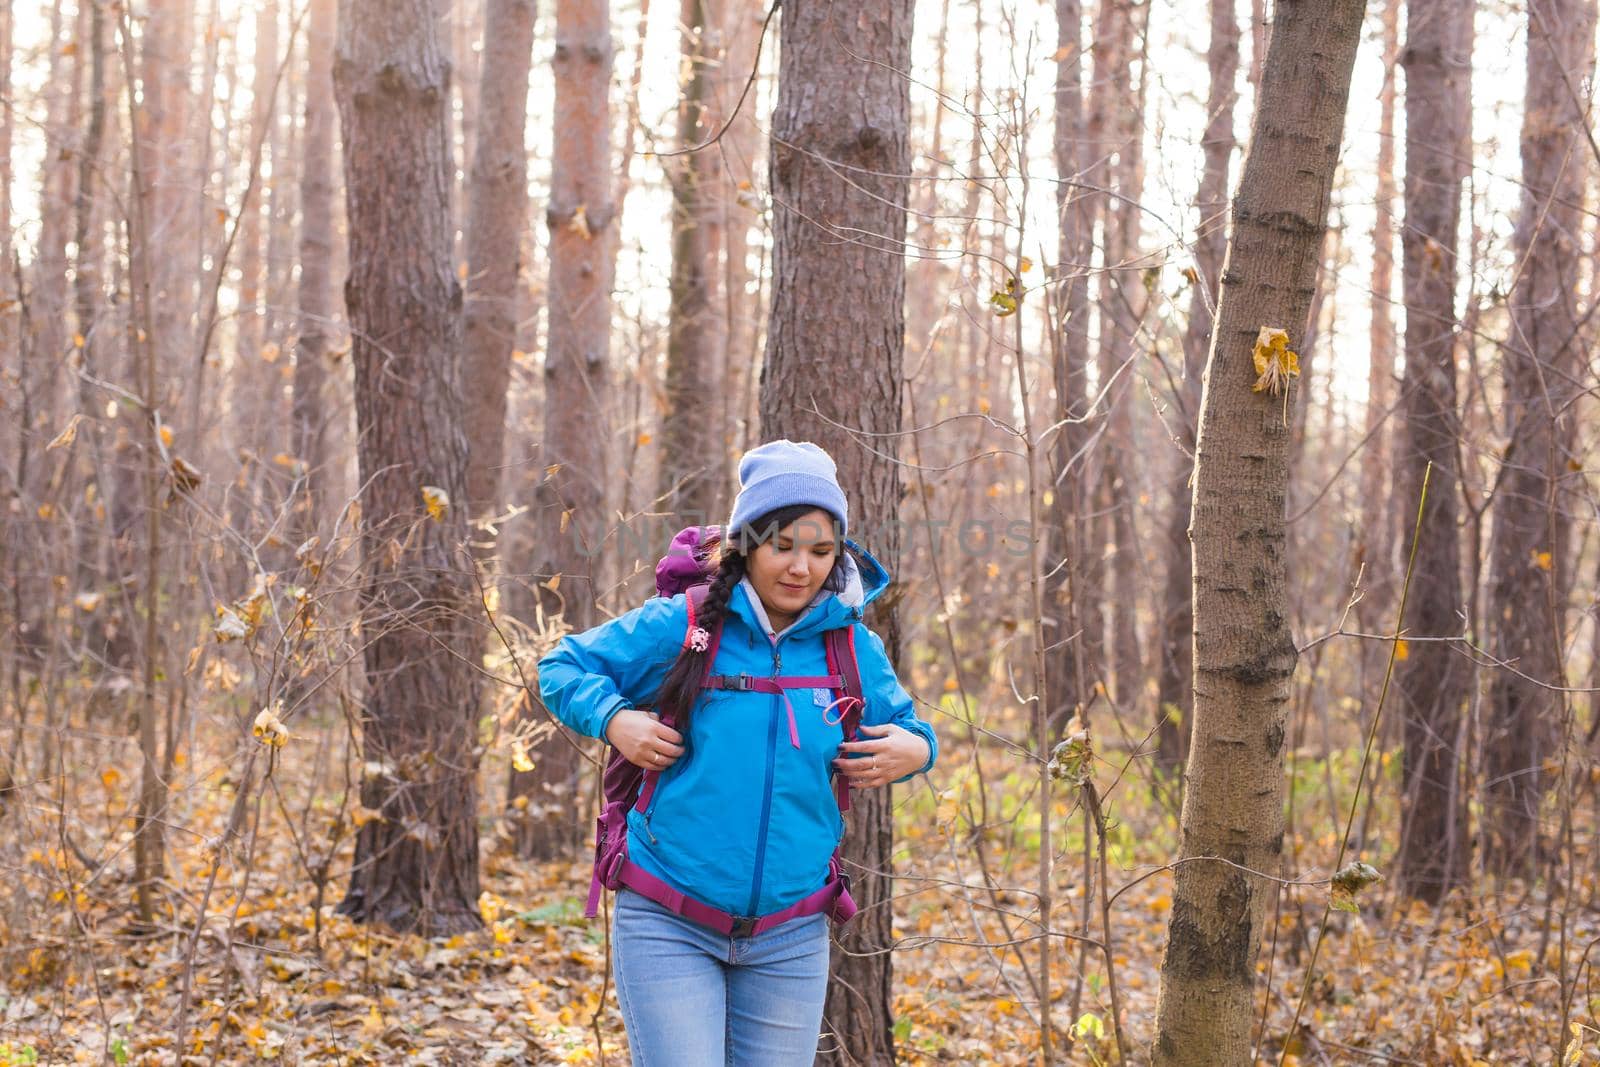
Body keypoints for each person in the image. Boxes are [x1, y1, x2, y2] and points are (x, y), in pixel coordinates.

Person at [538, 439, 939, 1066]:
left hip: (793, 933)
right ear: (747, 543)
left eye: (820, 550)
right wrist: (616, 722)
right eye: (782, 546)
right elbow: (562, 666)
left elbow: (910, 727)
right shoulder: (686, 625)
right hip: (669, 915)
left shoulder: (850, 648)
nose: (800, 568)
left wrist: (917, 749)